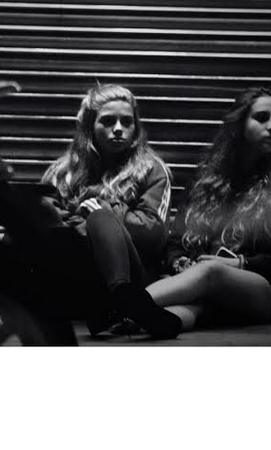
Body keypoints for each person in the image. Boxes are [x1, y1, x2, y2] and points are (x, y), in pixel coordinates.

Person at [145, 86, 271, 332]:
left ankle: (121, 307)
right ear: (239, 124)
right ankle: (136, 321)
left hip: (265, 292)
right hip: (204, 287)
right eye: (262, 117)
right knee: (189, 308)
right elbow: (176, 239)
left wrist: (240, 264)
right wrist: (179, 261)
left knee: (211, 271)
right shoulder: (206, 181)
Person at [34, 83, 181, 339]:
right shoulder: (63, 172)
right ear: (90, 126)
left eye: (127, 122)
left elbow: (153, 234)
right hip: (77, 279)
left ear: (136, 128)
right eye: (108, 121)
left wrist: (104, 212)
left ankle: (123, 297)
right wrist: (89, 225)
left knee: (100, 216)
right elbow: (45, 220)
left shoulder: (151, 170)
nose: (118, 129)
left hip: (133, 276)